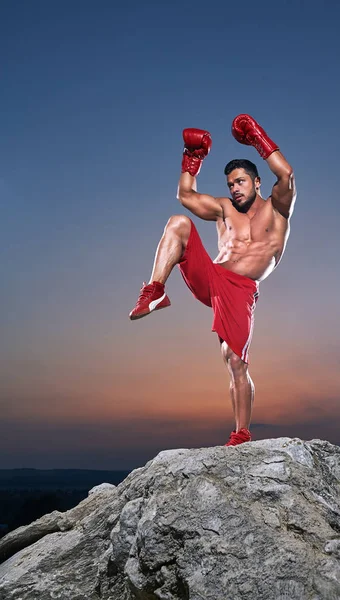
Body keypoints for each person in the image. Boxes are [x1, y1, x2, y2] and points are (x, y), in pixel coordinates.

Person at [129, 114, 296, 446]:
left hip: (241, 290)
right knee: (178, 222)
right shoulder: (223, 208)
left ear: (257, 182)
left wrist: (256, 137)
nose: (234, 188)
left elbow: (286, 173)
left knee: (235, 360)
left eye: (240, 182)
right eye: (230, 184)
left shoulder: (277, 208)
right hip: (213, 277)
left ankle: (241, 433)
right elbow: (186, 196)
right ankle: (155, 290)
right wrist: (192, 158)